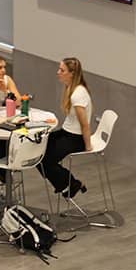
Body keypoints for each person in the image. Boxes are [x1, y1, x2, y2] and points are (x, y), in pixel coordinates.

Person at [37, 57, 92, 198]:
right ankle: (67, 184)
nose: (58, 72)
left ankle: (72, 184)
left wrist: (88, 146)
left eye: (62, 70)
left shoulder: (77, 95)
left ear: (71, 73)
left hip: (76, 138)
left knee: (44, 160)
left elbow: (84, 124)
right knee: (36, 149)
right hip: (66, 132)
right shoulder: (71, 89)